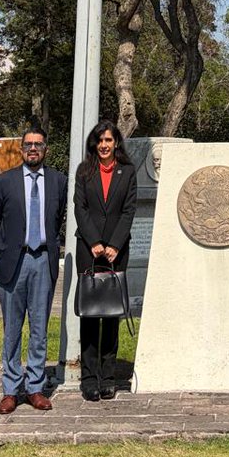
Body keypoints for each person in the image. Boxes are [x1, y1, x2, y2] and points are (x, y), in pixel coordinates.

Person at [0, 121, 68, 415]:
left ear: (46, 149)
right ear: (22, 149)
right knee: (12, 329)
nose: (33, 149)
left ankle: (35, 387)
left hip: (42, 260)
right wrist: (9, 247)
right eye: (28, 145)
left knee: (39, 328)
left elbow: (57, 218)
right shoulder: (5, 182)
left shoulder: (58, 181)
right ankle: (10, 389)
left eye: (38, 144)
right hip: (14, 262)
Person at [74, 120, 137, 401]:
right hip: (89, 250)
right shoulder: (84, 170)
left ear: (116, 143)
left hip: (116, 252)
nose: (104, 145)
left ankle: (108, 377)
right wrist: (94, 242)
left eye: (108, 140)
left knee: (111, 315)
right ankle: (89, 378)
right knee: (90, 314)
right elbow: (80, 207)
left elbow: (128, 210)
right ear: (94, 143)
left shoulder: (128, 172)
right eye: (100, 140)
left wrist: (114, 245)